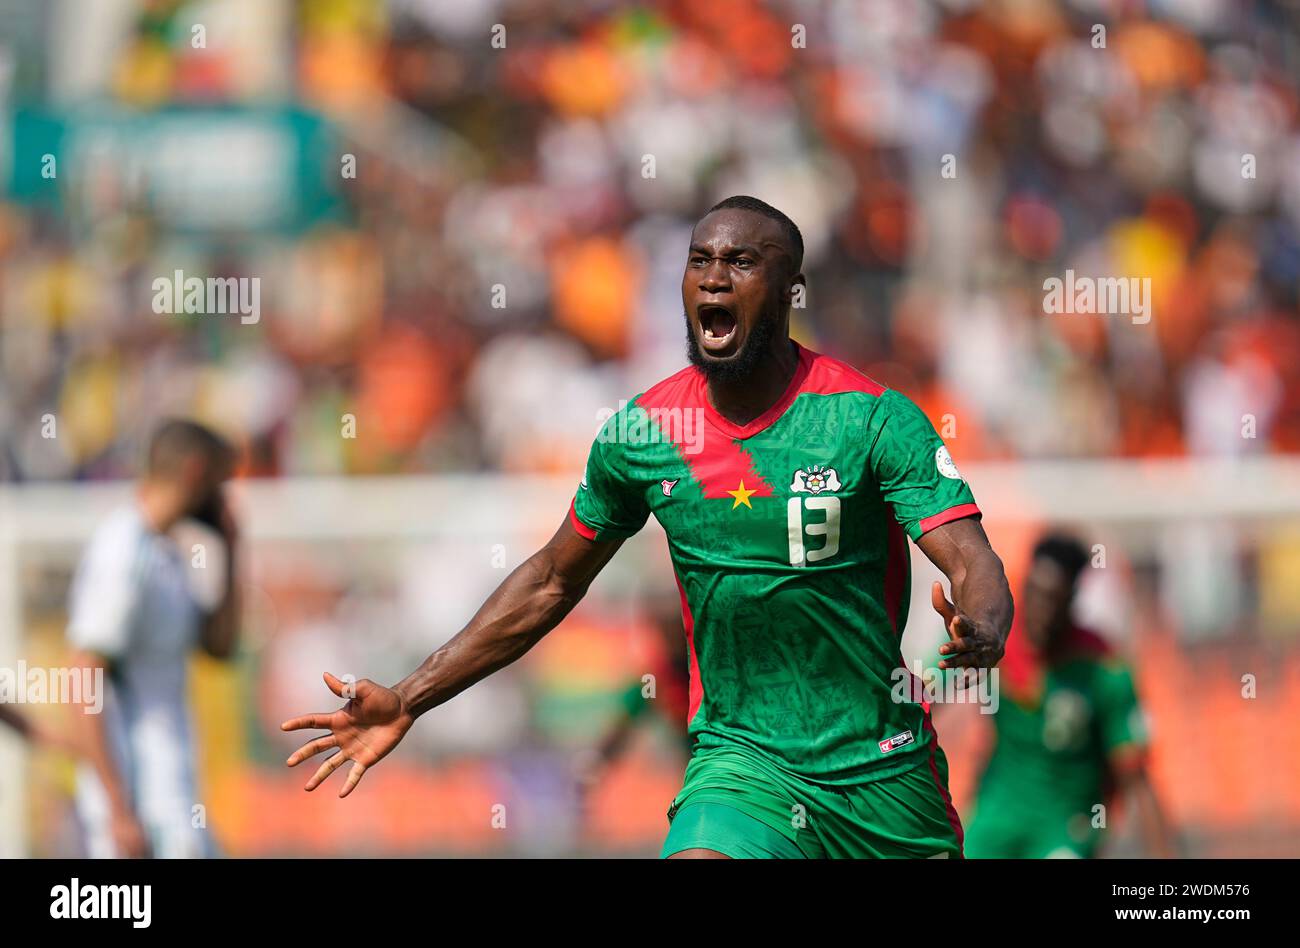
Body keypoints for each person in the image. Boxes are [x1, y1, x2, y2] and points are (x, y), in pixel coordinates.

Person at [283, 195, 1014, 858]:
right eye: (700, 261)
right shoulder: (644, 433)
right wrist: (409, 696)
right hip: (742, 766)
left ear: (790, 291)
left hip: (881, 776)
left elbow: (970, 558)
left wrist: (983, 623)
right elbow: (548, 582)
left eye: (740, 262)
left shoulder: (871, 419)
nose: (714, 279)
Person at [67, 419, 240, 858]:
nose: (224, 499)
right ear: (197, 472)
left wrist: (232, 548)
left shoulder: (164, 550)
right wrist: (118, 809)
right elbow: (82, 677)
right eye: (221, 482)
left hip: (172, 796)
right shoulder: (124, 550)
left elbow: (220, 647)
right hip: (144, 805)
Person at [964, 532, 1177, 858]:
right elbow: (927, 687)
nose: (1041, 611)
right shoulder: (996, 641)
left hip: (1065, 825)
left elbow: (1136, 778)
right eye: (1034, 594)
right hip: (997, 815)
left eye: (1053, 600)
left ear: (1072, 599)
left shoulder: (1103, 670)